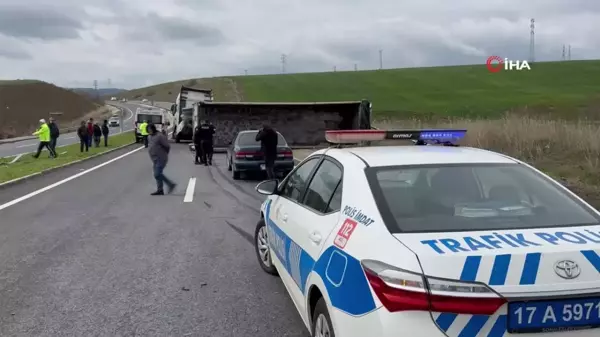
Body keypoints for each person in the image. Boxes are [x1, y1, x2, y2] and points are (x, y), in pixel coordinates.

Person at [147, 123, 176, 195]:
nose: (149, 131)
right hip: (154, 159)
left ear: (153, 129)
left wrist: (164, 154)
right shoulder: (149, 137)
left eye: (150, 129)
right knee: (157, 175)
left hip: (161, 158)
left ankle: (170, 184)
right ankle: (160, 190)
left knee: (157, 174)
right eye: (148, 130)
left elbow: (167, 146)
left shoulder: (159, 136)